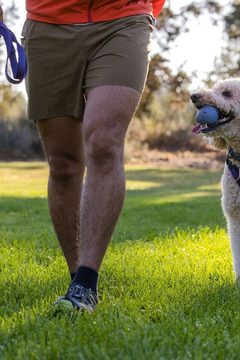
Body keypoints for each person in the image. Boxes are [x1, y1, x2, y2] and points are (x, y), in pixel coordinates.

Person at [0, 0, 165, 313]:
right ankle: (76, 278)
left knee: (104, 142)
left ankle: (86, 282)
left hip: (123, 18)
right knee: (63, 164)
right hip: (49, 24)